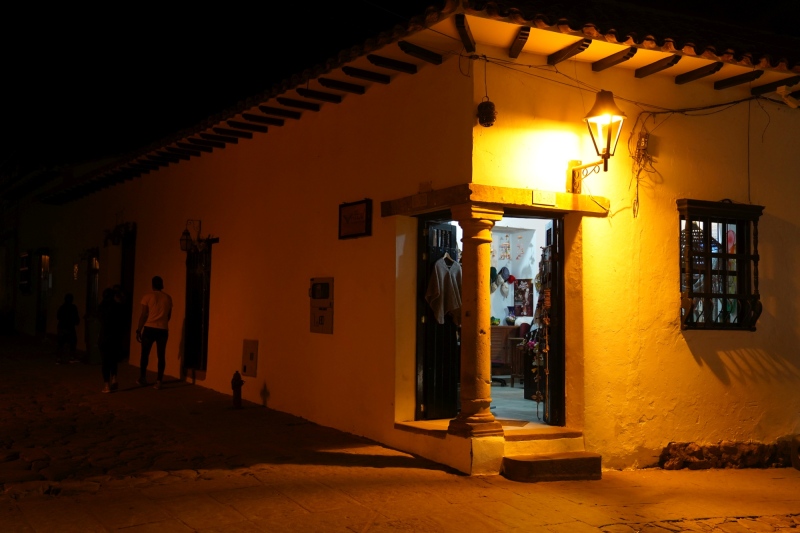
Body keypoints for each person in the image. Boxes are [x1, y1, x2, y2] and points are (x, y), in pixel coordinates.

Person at [136, 276, 172, 389]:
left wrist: (139, 329)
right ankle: (159, 381)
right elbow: (168, 315)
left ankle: (143, 378)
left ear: (152, 285)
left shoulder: (147, 297)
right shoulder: (168, 298)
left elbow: (143, 314)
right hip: (163, 329)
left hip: (150, 328)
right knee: (161, 355)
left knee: (145, 354)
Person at [98, 288, 124, 393]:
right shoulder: (118, 307)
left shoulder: (101, 307)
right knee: (113, 359)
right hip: (115, 336)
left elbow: (100, 320)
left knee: (105, 361)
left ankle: (106, 385)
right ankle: (114, 378)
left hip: (104, 335)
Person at [56, 293, 80, 364]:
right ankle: (71, 357)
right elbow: (76, 318)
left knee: (61, 342)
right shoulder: (73, 307)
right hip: (69, 327)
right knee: (72, 342)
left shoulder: (62, 307)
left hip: (61, 327)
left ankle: (59, 358)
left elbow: (58, 316)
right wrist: (76, 322)